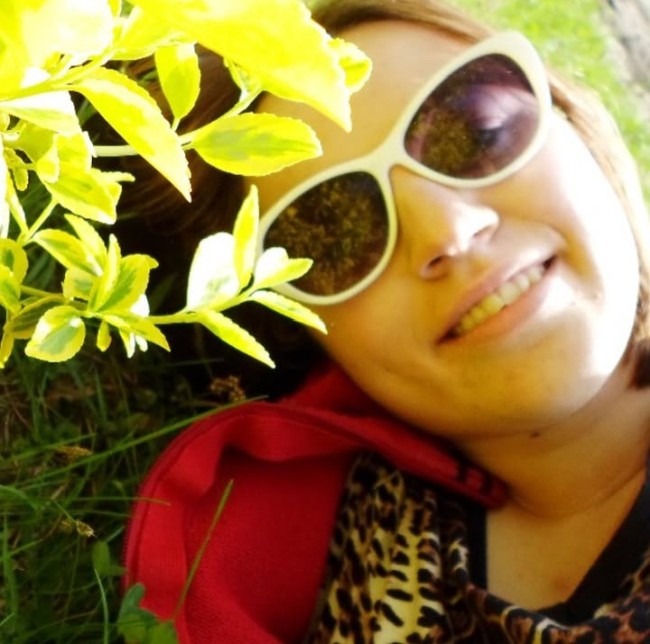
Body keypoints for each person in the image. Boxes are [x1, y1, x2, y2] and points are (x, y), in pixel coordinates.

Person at [123, 0, 650, 641]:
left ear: (573, 123)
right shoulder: (347, 560)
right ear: (298, 324)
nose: (448, 231)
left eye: (478, 132)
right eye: (336, 234)